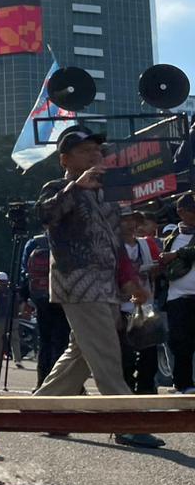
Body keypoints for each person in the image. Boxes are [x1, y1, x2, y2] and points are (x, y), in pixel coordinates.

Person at [32, 125, 163, 448]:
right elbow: (46, 215)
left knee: (80, 353)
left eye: (97, 150)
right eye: (85, 151)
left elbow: (116, 244)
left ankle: (40, 408)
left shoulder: (107, 196)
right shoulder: (57, 187)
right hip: (77, 284)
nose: (95, 155)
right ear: (65, 160)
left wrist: (130, 280)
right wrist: (76, 187)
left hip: (105, 286)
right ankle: (124, 421)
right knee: (106, 351)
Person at [18, 231, 70, 388]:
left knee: (45, 341)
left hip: (41, 298)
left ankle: (42, 382)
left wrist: (24, 298)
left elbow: (24, 273)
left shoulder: (34, 243)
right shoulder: (69, 238)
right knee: (63, 341)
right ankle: (61, 384)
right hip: (65, 296)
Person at [158, 193, 195, 396]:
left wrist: (177, 255)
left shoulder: (176, 248)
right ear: (181, 212)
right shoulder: (171, 239)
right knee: (181, 342)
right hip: (177, 298)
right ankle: (183, 384)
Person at [118, 212, 158, 394]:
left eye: (133, 220)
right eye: (125, 220)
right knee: (126, 354)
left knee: (149, 352)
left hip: (144, 305)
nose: (130, 224)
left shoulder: (144, 244)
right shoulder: (114, 246)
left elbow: (155, 270)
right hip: (121, 306)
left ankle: (146, 389)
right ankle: (126, 389)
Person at [0, 271, 22, 367]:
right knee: (14, 339)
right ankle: (18, 360)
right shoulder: (13, 290)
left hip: (0, 317)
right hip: (13, 318)